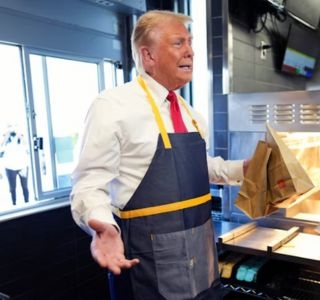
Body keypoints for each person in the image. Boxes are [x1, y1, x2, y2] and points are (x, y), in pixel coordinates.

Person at [70, 10, 249, 300]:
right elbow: (88, 184)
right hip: (148, 271)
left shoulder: (191, 114)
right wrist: (101, 224)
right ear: (148, 55)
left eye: (190, 42)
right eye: (179, 43)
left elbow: (198, 168)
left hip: (202, 267)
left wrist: (244, 168)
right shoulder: (112, 106)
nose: (190, 51)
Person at [1, 126, 30, 205]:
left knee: (25, 187)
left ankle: (27, 203)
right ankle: (14, 204)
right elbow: (1, 151)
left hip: (22, 165)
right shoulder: (4, 138)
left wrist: (20, 135)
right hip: (10, 167)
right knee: (12, 188)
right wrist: (5, 138)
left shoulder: (21, 137)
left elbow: (28, 148)